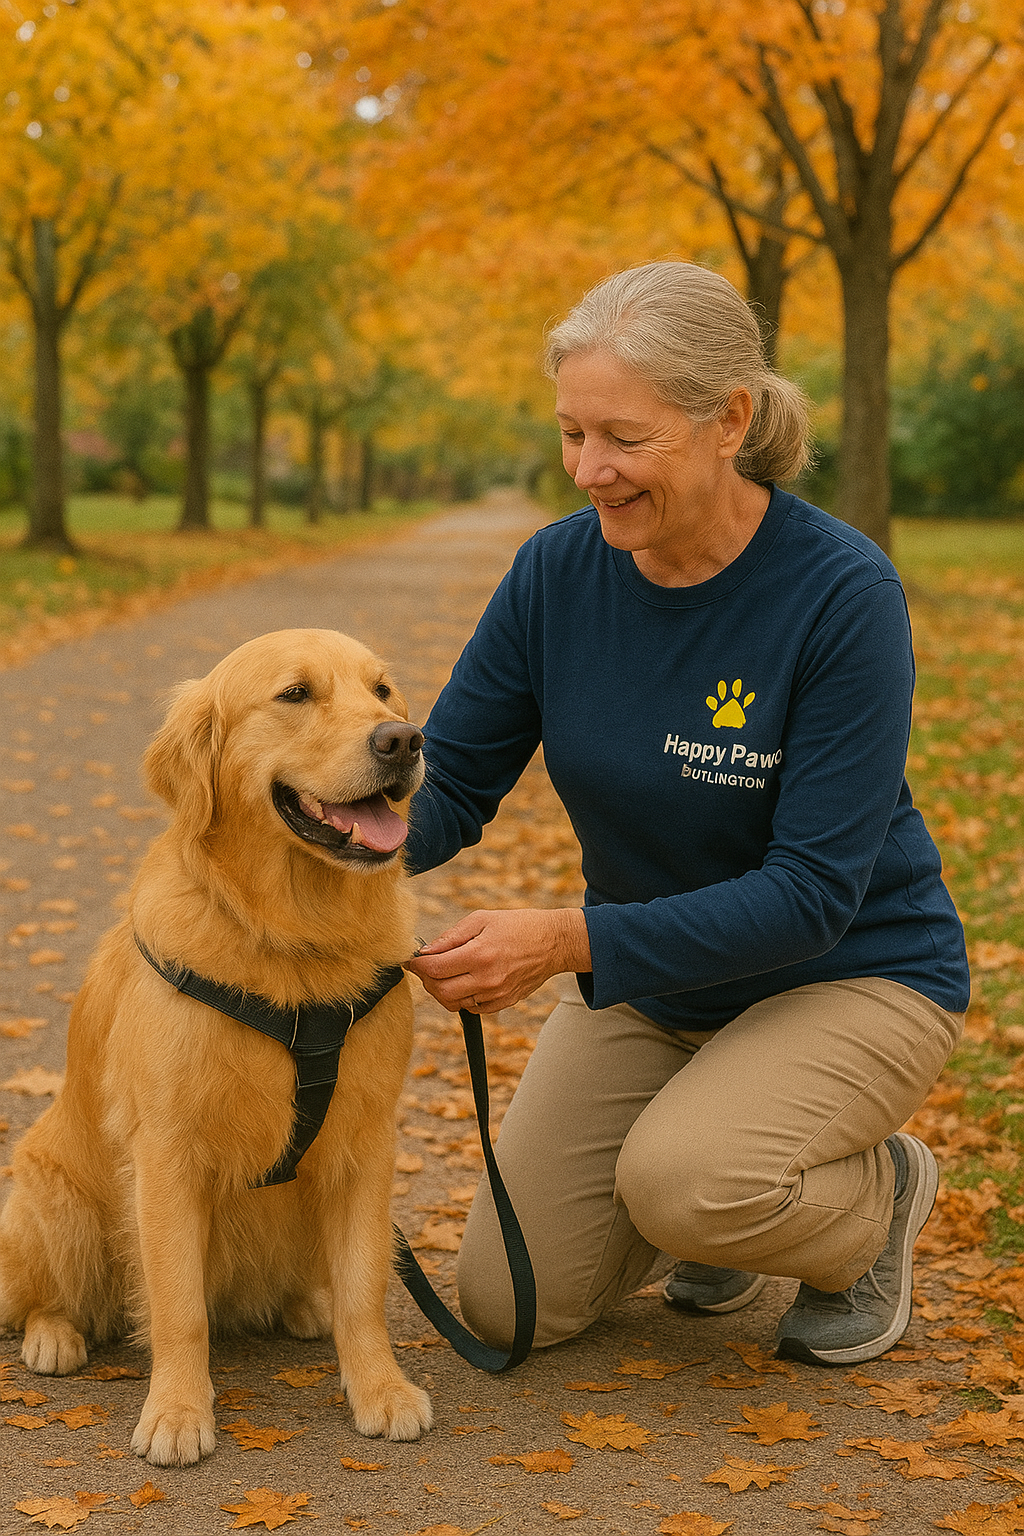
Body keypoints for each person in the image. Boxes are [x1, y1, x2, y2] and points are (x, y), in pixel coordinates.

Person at [404, 261, 969, 1367]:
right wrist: (311, 838)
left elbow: (810, 895)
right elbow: (454, 784)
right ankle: (720, 1193)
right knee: (507, 1304)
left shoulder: (840, 596)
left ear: (730, 420)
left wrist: (568, 940)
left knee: (689, 1183)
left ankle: (868, 1198)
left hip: (850, 974)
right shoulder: (555, 574)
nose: (589, 471)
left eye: (623, 437)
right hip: (657, 986)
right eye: (571, 433)